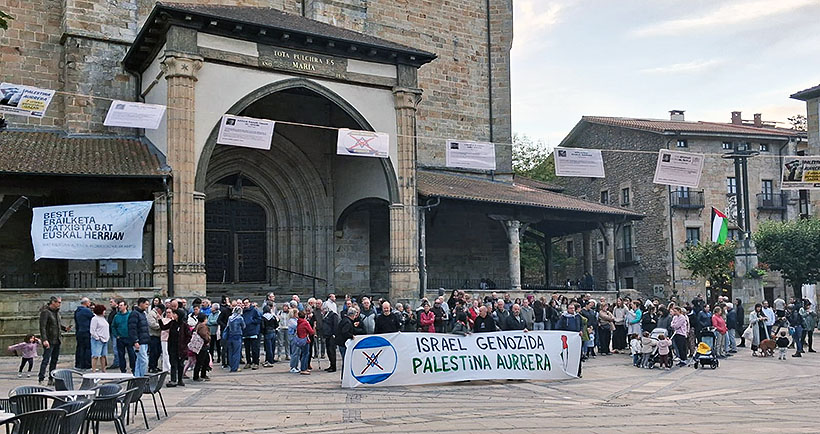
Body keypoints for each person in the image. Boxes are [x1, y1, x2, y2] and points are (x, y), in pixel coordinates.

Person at [37, 296, 70, 385]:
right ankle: (41, 378)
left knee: (54, 360)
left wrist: (64, 328)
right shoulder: (45, 312)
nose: (60, 304)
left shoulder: (56, 312)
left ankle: (51, 378)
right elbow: (42, 327)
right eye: (58, 302)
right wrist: (44, 339)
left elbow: (57, 324)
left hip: (57, 339)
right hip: (49, 340)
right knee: (46, 359)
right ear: (53, 302)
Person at [335, 307, 363, 377]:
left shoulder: (345, 320)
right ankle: (344, 376)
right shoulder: (347, 322)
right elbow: (345, 332)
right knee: (346, 360)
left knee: (345, 360)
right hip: (343, 343)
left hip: (341, 343)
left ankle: (344, 376)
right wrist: (351, 336)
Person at [111, 300, 135, 374]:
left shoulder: (130, 315)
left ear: (125, 306)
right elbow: (113, 326)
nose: (120, 307)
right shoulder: (116, 316)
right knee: (121, 355)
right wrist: (116, 335)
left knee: (132, 354)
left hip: (129, 337)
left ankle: (133, 368)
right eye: (119, 305)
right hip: (120, 338)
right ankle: (123, 370)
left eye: (121, 305)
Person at [129, 297, 151, 377]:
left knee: (139, 361)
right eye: (146, 304)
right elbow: (132, 328)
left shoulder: (142, 314)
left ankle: (137, 376)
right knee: (144, 360)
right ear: (141, 303)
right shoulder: (134, 314)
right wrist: (135, 341)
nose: (147, 306)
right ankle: (142, 377)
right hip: (139, 341)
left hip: (144, 341)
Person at [241, 298, 262, 370]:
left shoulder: (254, 310)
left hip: (253, 332)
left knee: (254, 348)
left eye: (247, 303)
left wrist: (252, 321)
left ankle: (256, 362)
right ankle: (248, 362)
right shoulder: (242, 311)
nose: (246, 304)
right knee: (247, 349)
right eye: (244, 303)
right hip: (245, 332)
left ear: (250, 303)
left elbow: (259, 319)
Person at [74, 297, 93, 370]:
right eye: (89, 302)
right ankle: (87, 365)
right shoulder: (87, 311)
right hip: (86, 331)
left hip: (79, 331)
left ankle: (79, 364)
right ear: (86, 303)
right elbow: (93, 318)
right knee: (88, 348)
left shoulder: (77, 311)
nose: (90, 303)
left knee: (80, 348)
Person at [293, 311, 315, 375]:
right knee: (305, 354)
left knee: (303, 354)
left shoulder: (298, 322)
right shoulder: (305, 323)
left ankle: (304, 367)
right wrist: (314, 328)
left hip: (300, 339)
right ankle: (303, 368)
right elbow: (311, 331)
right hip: (305, 339)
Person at [224, 306, 245, 373]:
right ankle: (235, 367)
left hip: (230, 336)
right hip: (237, 336)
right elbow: (244, 326)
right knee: (236, 352)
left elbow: (227, 326)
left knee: (230, 352)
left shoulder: (230, 318)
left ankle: (231, 366)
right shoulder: (240, 318)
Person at [89, 304, 110, 373]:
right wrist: (97, 338)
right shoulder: (95, 319)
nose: (105, 312)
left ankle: (104, 370)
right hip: (97, 340)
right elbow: (92, 330)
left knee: (103, 355)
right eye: (104, 310)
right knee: (95, 356)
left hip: (105, 340)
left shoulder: (103, 319)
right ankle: (93, 370)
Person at [192, 313, 211, 381]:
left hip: (199, 346)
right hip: (202, 346)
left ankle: (203, 374)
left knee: (205, 360)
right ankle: (196, 376)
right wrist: (208, 339)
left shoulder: (198, 325)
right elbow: (204, 335)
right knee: (200, 361)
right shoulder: (202, 326)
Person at [146, 303, 163, 373]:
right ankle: (151, 366)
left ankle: (155, 365)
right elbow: (152, 324)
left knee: (158, 352)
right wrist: (161, 326)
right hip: (153, 335)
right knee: (153, 352)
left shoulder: (159, 314)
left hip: (158, 336)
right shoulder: (151, 314)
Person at [322, 305, 339, 372]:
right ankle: (331, 365)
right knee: (328, 351)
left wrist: (334, 334)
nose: (322, 312)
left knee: (332, 351)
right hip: (327, 335)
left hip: (332, 336)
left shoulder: (333, 315)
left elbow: (335, 325)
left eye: (323, 310)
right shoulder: (325, 315)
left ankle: (333, 366)